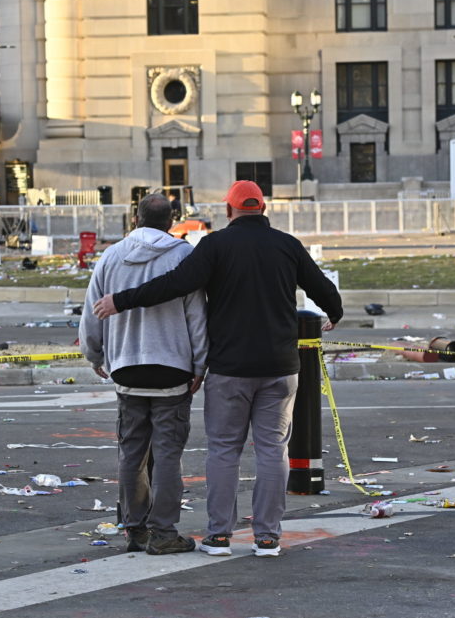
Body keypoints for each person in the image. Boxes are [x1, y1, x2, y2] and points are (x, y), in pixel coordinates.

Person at [93, 180, 342, 558]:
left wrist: (120, 301)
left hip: (229, 369)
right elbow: (322, 288)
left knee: (224, 450)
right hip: (280, 367)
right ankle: (267, 537)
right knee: (274, 449)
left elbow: (174, 286)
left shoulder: (215, 246)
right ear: (263, 209)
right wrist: (334, 313)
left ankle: (220, 535)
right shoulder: (287, 245)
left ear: (229, 211)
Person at [79, 193, 208, 555]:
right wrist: (200, 365)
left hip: (126, 367)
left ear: (135, 219)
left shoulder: (112, 256)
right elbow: (196, 317)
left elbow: (92, 312)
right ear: (171, 221)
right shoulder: (183, 256)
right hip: (172, 367)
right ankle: (164, 532)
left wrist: (95, 353)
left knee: (131, 452)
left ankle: (134, 529)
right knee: (168, 454)